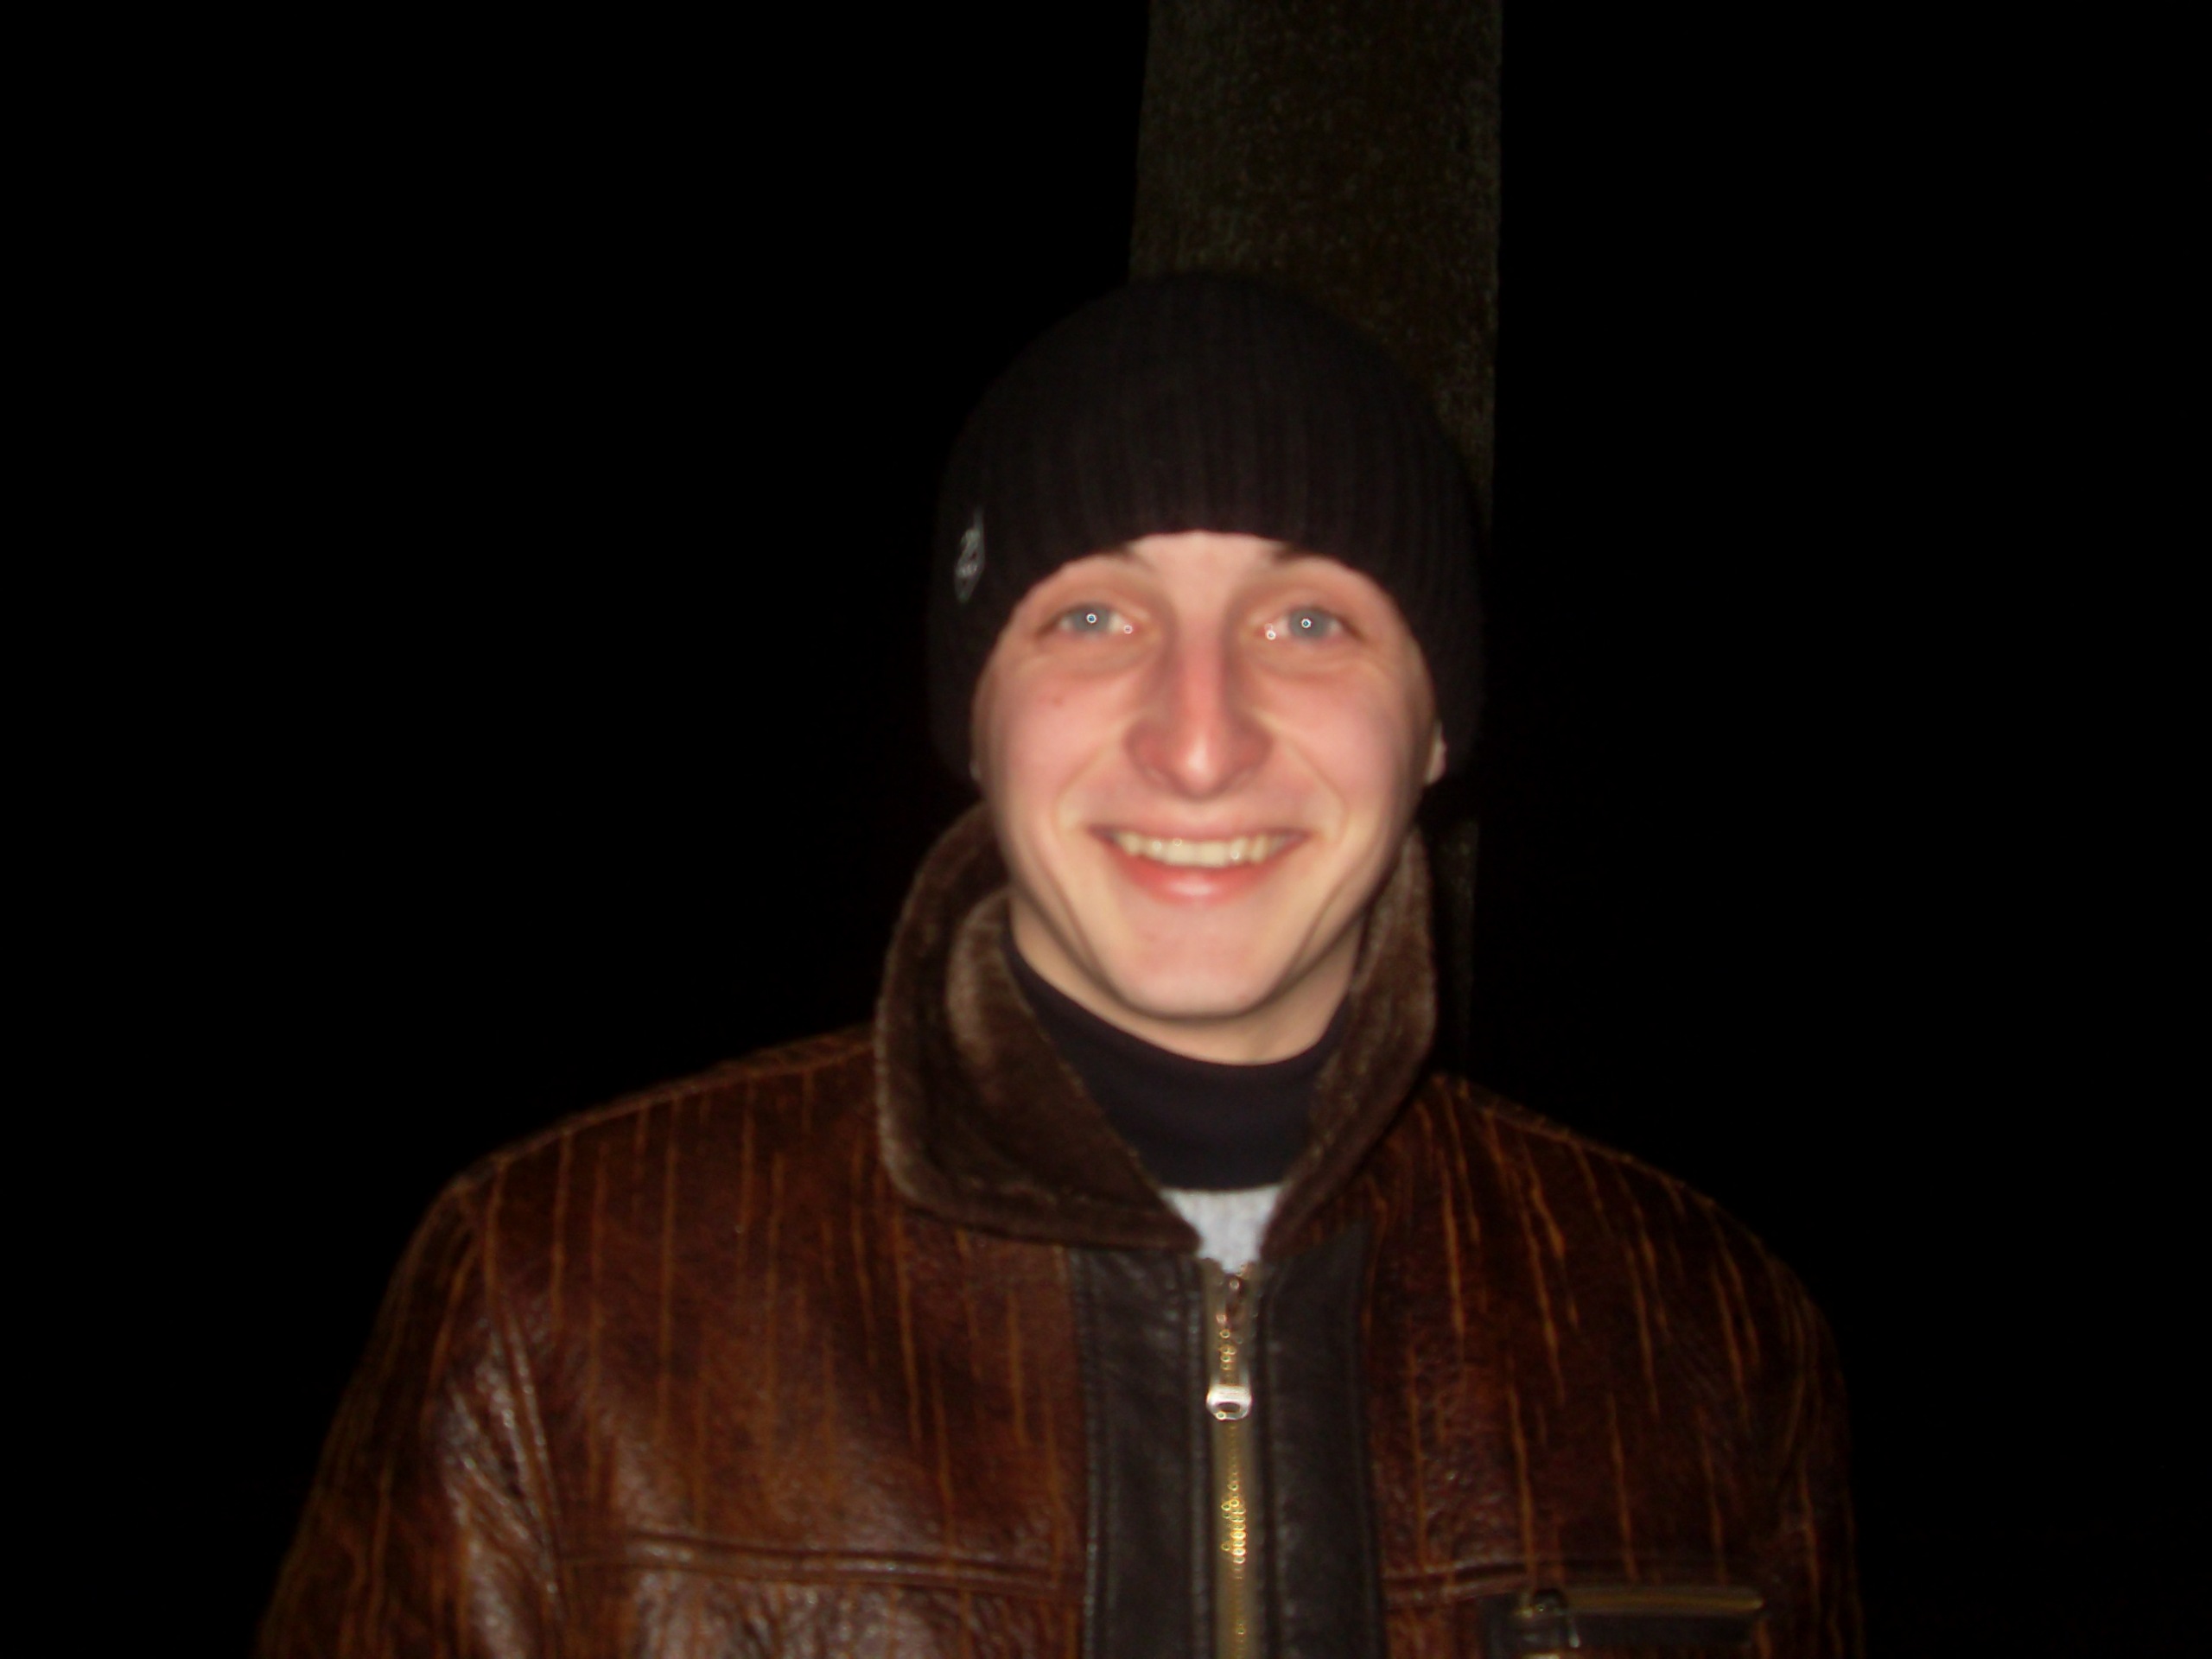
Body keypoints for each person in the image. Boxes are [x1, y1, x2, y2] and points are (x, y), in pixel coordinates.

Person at [262, 276, 1859, 1657]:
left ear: (1437, 726)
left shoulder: (1703, 1332)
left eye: (1309, 623)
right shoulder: (559, 1296)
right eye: (1094, 618)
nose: (1199, 742)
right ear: (975, 717)